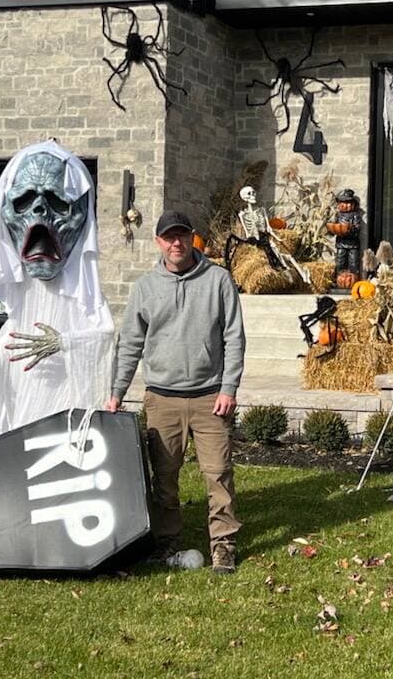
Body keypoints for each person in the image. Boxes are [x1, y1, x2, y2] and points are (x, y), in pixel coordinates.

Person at [107, 210, 245, 574]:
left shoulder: (218, 281)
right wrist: (116, 392)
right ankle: (167, 540)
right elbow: (130, 344)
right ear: (158, 242)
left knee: (218, 475)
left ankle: (223, 544)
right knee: (164, 478)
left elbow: (234, 338)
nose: (176, 243)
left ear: (192, 237)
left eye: (182, 235)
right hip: (162, 398)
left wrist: (229, 388)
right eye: (169, 237)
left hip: (210, 396)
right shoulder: (145, 288)